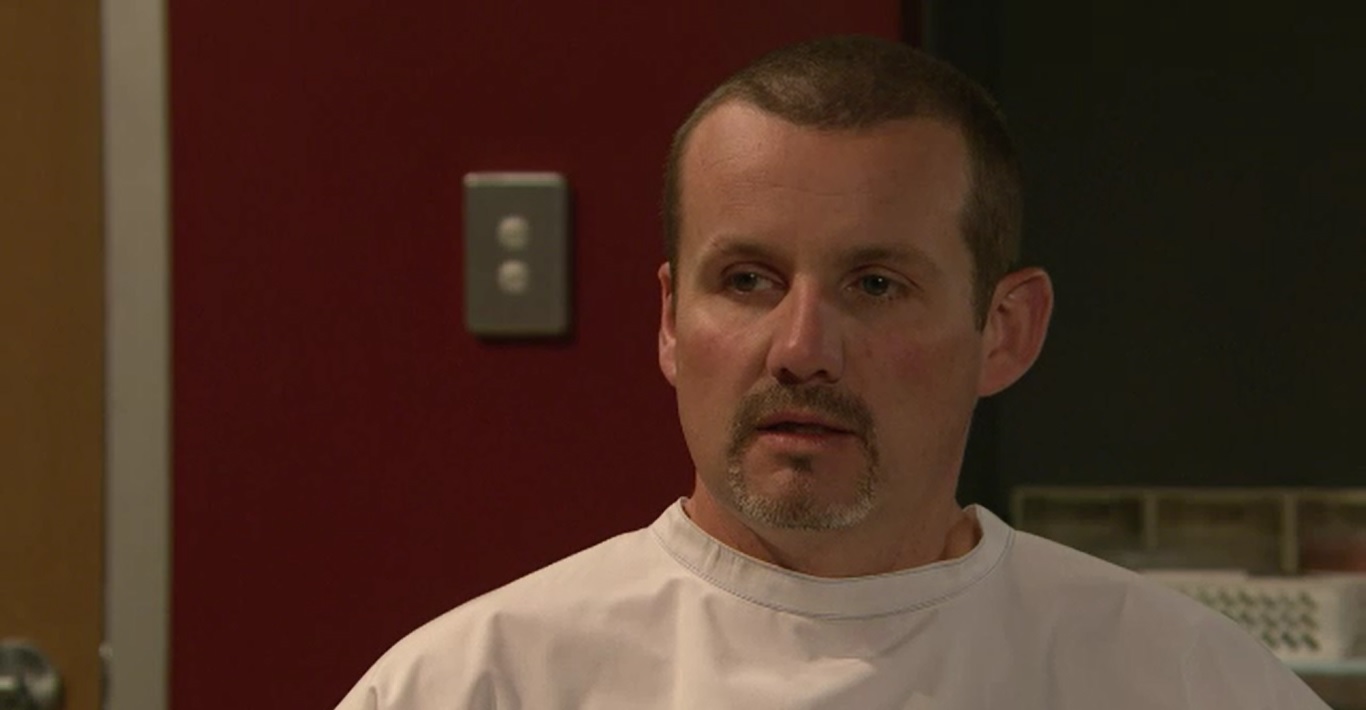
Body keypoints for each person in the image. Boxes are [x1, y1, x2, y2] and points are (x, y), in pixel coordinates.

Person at [336, 35, 1329, 709]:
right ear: (672, 320)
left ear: (1004, 331)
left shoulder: (1187, 682)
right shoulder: (479, 684)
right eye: (748, 280)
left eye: (875, 284)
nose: (801, 346)